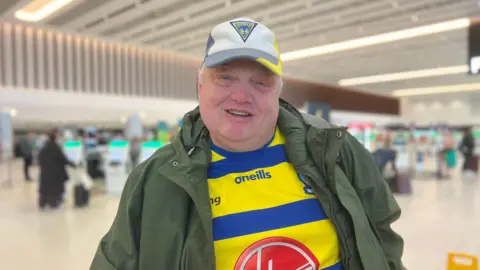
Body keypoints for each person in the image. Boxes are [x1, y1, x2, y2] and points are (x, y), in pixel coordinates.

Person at [91, 18, 404, 270]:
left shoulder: (333, 151)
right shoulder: (155, 181)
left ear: (278, 91)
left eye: (260, 82)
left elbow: (382, 244)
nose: (241, 96)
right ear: (199, 85)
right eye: (225, 78)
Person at [38, 129, 75, 210]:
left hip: (45, 172)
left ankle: (43, 203)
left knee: (45, 189)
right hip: (56, 173)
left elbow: (40, 159)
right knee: (55, 189)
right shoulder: (56, 148)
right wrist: (72, 164)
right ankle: (53, 203)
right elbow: (63, 159)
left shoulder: (44, 147)